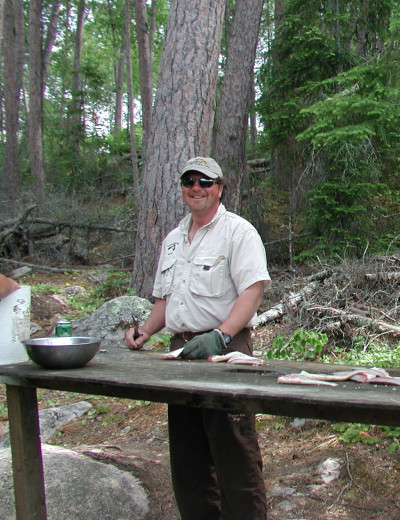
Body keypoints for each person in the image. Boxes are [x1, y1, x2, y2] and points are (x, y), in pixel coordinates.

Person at [125, 156, 269, 519]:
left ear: (220, 188)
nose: (196, 188)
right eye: (189, 181)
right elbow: (164, 300)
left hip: (226, 352)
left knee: (234, 452)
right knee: (188, 459)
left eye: (205, 181)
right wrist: (144, 332)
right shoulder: (173, 240)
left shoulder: (238, 232)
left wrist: (221, 336)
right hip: (180, 355)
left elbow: (252, 290)